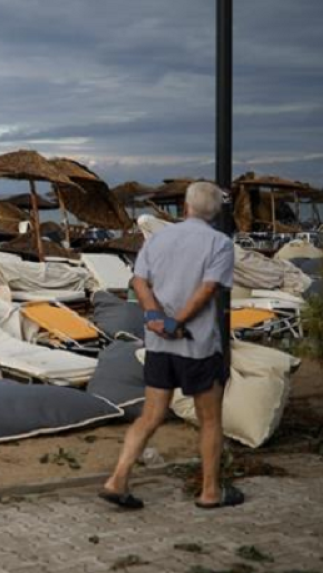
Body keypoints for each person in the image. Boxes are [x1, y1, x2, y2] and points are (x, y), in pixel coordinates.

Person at [100, 181, 242, 510]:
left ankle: (118, 479)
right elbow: (208, 290)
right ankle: (210, 492)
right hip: (199, 347)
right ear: (216, 211)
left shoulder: (159, 238)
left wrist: (154, 314)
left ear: (185, 206)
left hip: (159, 345)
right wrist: (177, 322)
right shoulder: (220, 244)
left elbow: (139, 280)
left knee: (150, 416)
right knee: (210, 420)